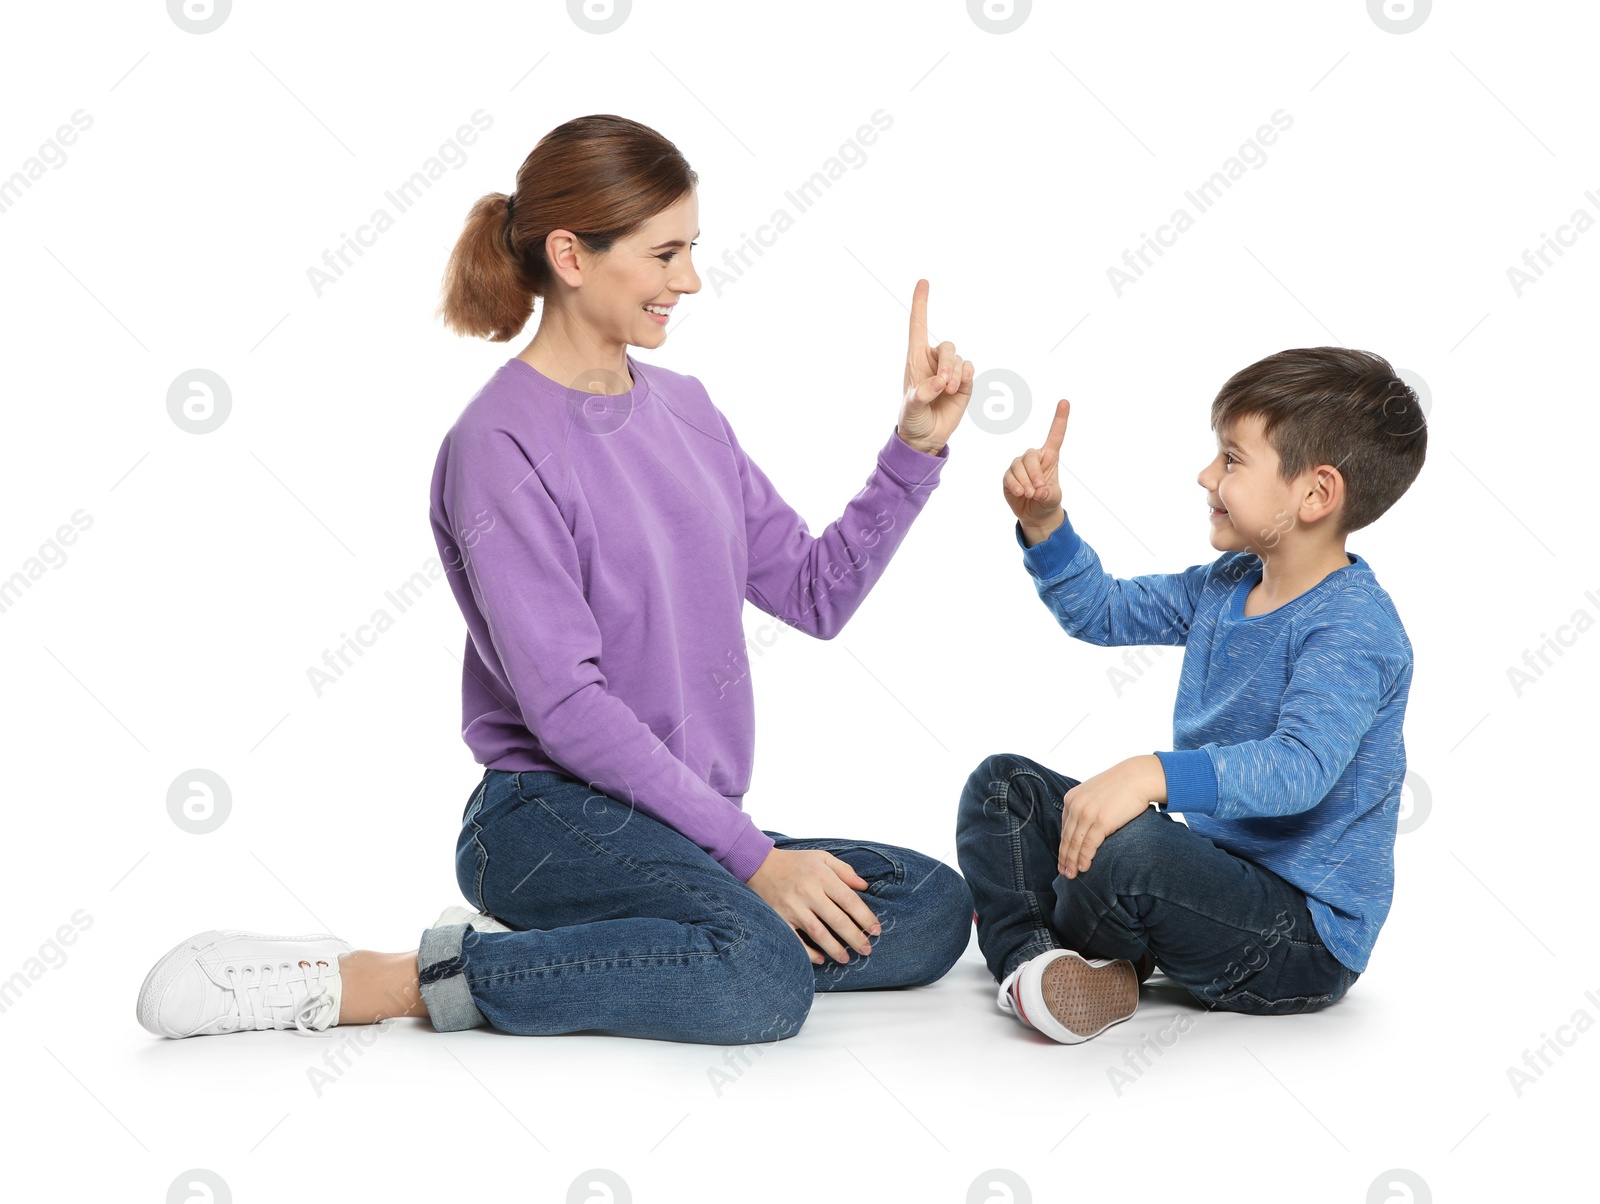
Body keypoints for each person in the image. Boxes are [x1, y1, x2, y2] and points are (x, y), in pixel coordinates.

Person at [136, 114, 976, 1043]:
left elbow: (817, 595)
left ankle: (639, 939)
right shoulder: (496, 445)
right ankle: (394, 979)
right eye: (664, 254)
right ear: (571, 256)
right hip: (543, 817)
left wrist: (915, 450)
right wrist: (752, 860)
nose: (689, 280)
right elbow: (568, 710)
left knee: (933, 907)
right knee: (762, 978)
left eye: (691, 249)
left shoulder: (689, 411)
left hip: (676, 820)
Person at [955, 348, 1425, 1043]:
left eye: (1232, 460)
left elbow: (1297, 768)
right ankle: (1040, 968)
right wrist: (1045, 525)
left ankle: (1071, 934)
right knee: (1003, 787)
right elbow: (1103, 611)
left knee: (1128, 847)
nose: (1207, 476)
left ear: (1316, 494)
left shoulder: (1354, 628)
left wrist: (1151, 773)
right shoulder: (1228, 582)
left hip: (1299, 939)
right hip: (1213, 878)